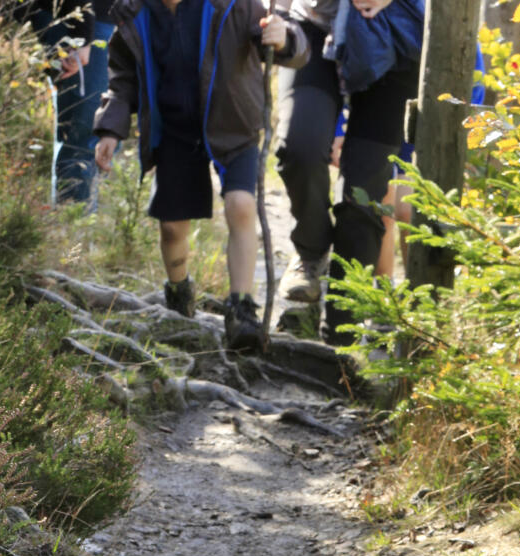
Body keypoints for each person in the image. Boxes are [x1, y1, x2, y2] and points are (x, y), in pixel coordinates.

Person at [92, 0, 309, 350]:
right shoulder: (135, 13)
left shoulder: (232, 5)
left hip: (234, 124)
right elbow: (123, 80)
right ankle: (180, 297)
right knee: (171, 226)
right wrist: (110, 129)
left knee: (241, 205)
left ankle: (241, 309)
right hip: (176, 130)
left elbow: (291, 49)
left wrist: (284, 37)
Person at [274, 0, 424, 341]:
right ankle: (311, 256)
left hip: (395, 36)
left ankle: (340, 339)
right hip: (312, 26)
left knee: (365, 197)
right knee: (301, 146)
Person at [6, 3, 113, 203]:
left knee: (95, 128)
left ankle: (78, 215)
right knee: (84, 129)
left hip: (100, 22)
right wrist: (84, 37)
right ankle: (74, 216)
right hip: (82, 22)